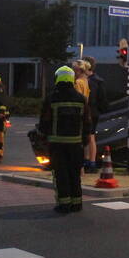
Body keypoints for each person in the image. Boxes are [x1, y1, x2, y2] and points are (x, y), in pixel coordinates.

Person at [38, 65, 91, 213]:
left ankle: (64, 204)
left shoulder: (51, 99)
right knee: (75, 173)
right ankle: (77, 203)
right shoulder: (81, 99)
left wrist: (42, 136)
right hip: (76, 144)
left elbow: (45, 121)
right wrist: (85, 139)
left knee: (61, 174)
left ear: (58, 78)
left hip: (57, 144)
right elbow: (87, 121)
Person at [84, 56, 108, 172]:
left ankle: (89, 161)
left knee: (88, 137)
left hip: (88, 112)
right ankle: (90, 161)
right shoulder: (99, 81)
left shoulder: (88, 81)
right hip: (94, 112)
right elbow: (102, 100)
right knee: (91, 137)